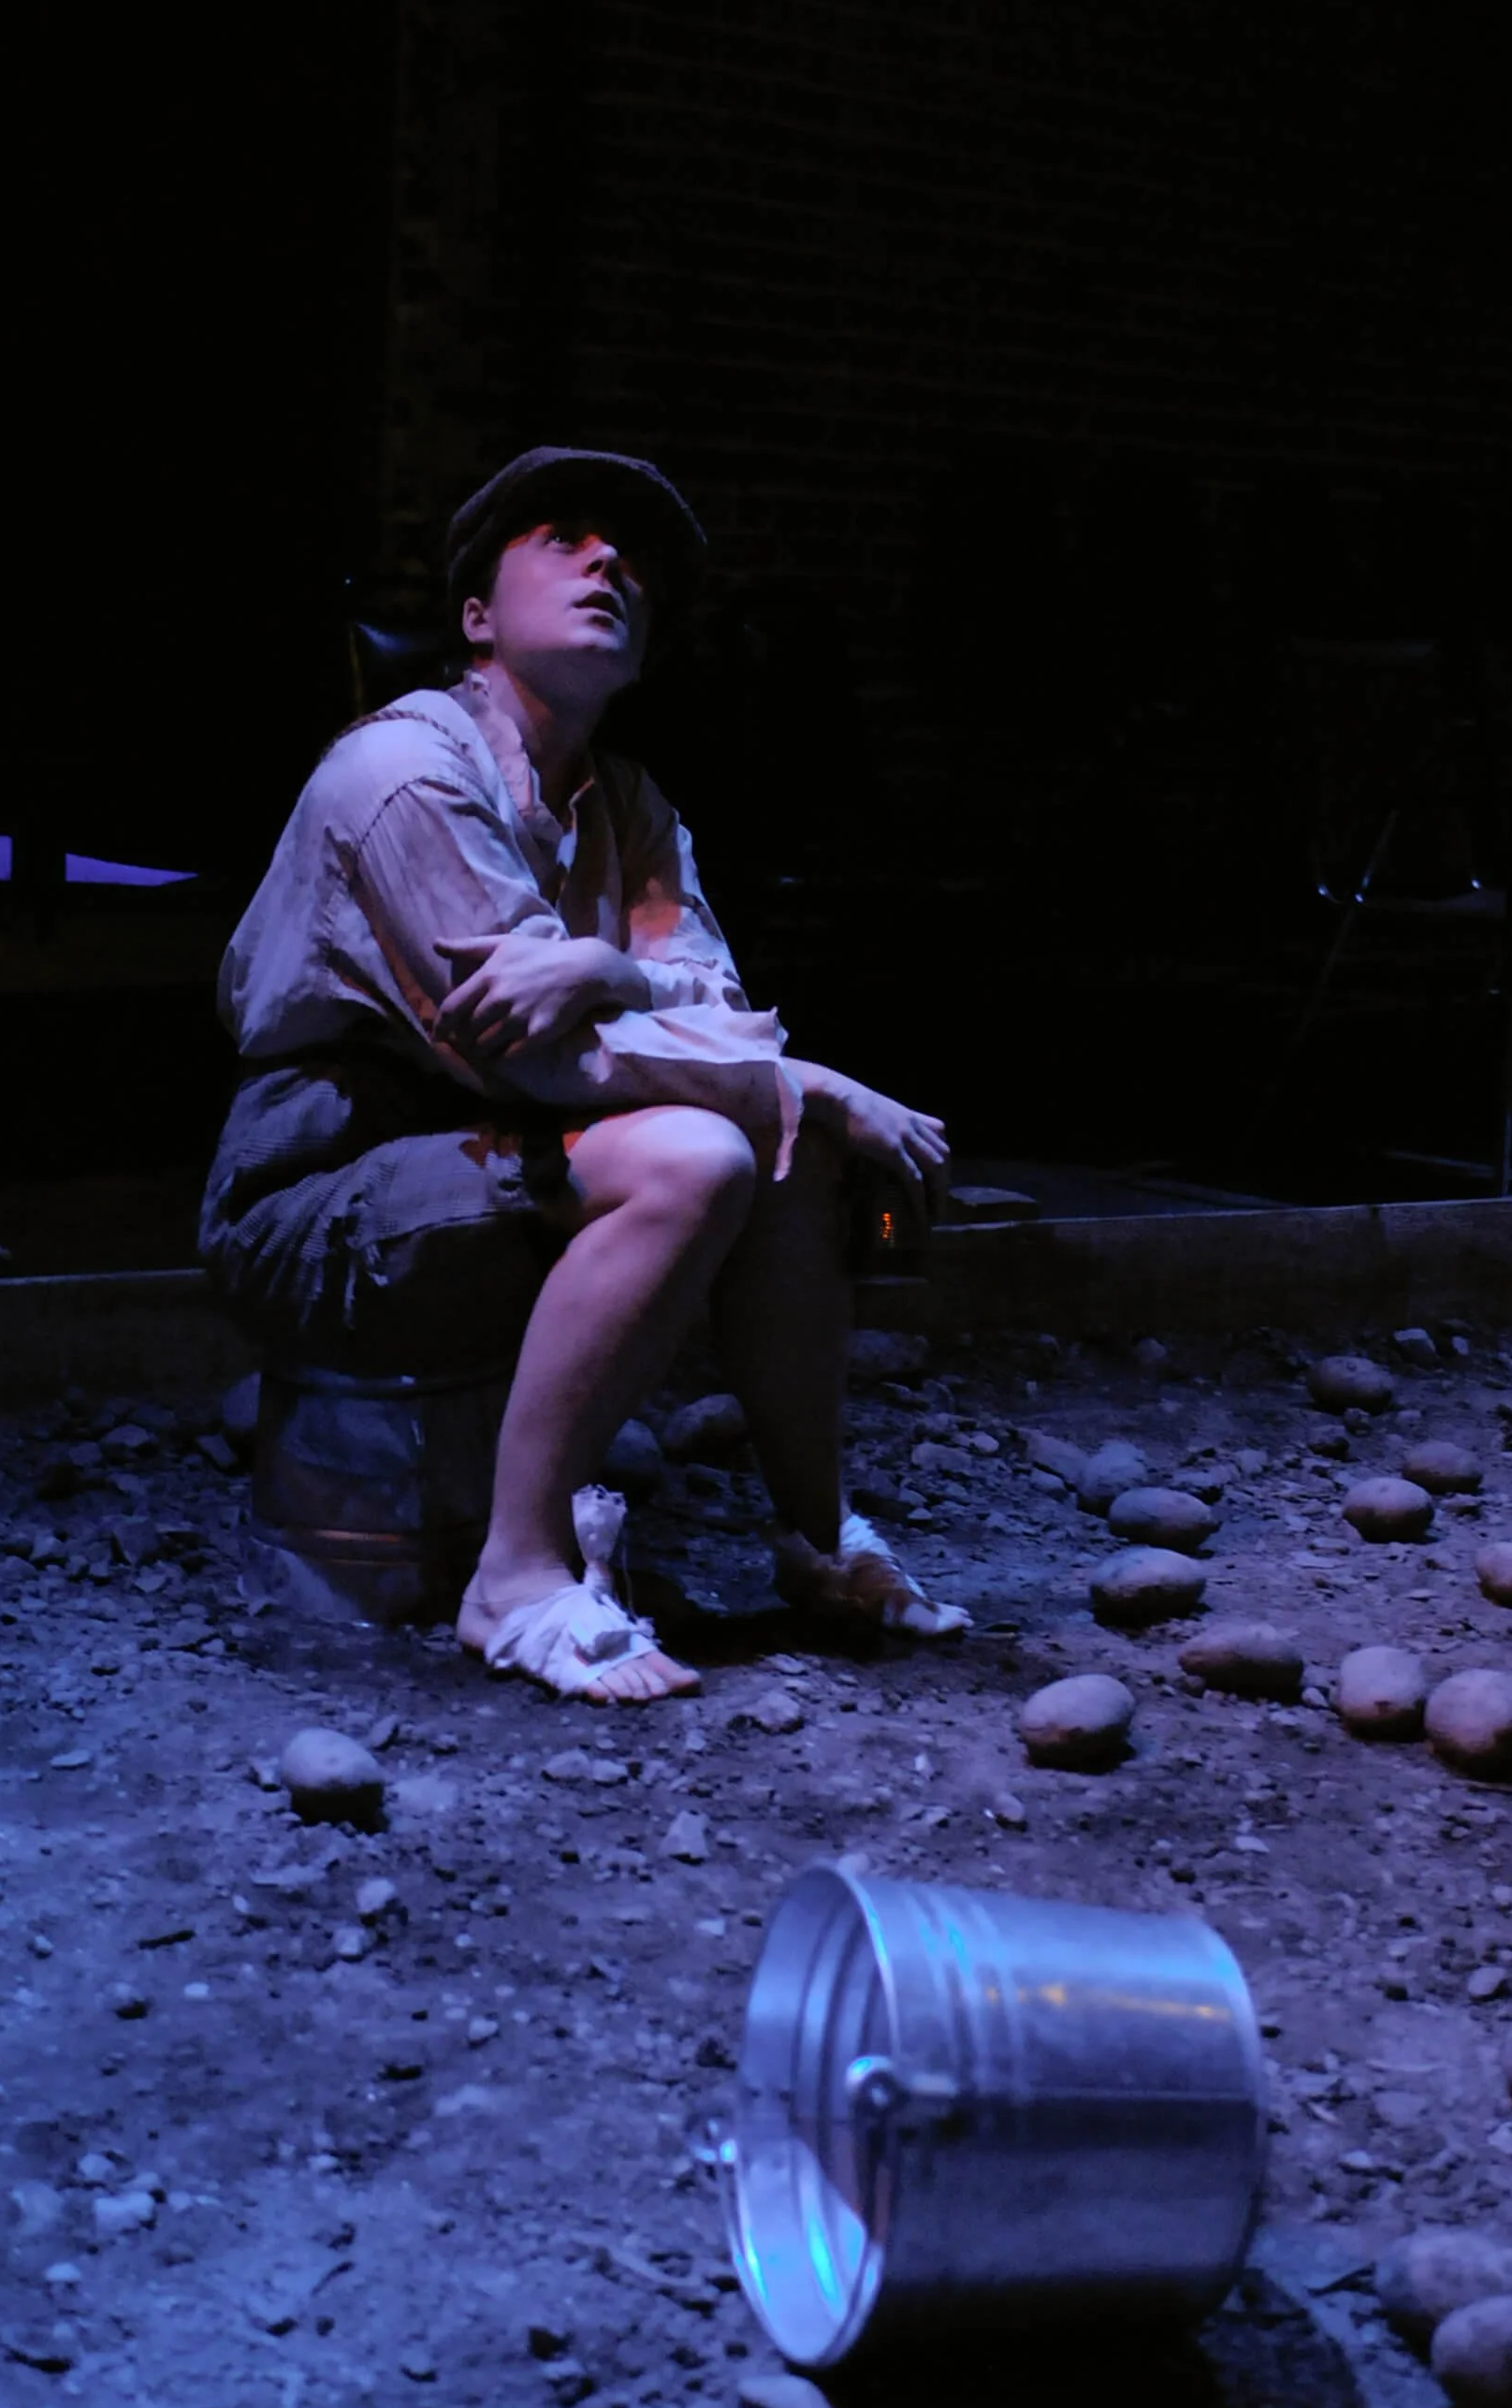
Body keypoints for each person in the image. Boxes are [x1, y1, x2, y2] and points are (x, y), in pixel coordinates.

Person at [200, 446, 968, 1701]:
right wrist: (805, 1079)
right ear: (476, 617)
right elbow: (540, 1054)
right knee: (712, 1142)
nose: (610, 561)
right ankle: (514, 1575)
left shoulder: (631, 807)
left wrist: (607, 965)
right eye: (563, 538)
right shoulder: (404, 774)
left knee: (781, 1143)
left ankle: (818, 1536)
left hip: (499, 1144)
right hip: (324, 1188)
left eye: (633, 558)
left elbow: (716, 1005)